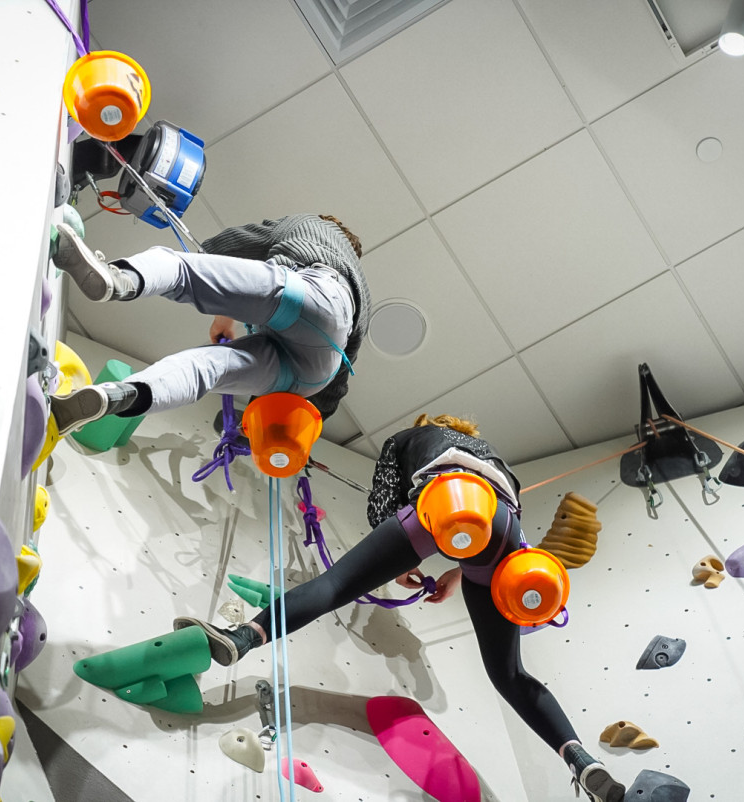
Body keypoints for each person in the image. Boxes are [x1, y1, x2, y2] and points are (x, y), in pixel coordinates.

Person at [174, 414, 626, 802]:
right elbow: (484, 536)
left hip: (439, 501)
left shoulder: (406, 440)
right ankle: (578, 758)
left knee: (333, 586)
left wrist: (403, 563)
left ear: (427, 427)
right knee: (510, 675)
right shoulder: (496, 459)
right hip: (499, 526)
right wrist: (459, 572)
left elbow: (382, 508)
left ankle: (241, 637)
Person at [48, 214, 370, 432]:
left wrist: (222, 316)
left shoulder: (312, 225)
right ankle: (120, 396)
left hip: (312, 293)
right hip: (314, 374)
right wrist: (261, 425)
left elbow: (226, 245)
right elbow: (338, 383)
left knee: (179, 270)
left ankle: (117, 280)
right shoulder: (363, 294)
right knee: (205, 370)